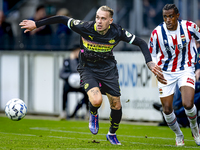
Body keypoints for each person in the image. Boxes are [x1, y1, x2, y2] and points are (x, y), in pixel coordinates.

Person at [19, 5, 166, 145]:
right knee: (96, 100)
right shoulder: (85, 27)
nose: (99, 21)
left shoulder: (117, 31)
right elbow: (62, 19)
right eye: (97, 17)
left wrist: (149, 62)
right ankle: (93, 113)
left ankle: (112, 134)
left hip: (108, 70)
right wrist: (37, 24)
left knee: (116, 105)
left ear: (110, 21)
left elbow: (141, 42)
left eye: (103, 18)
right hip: (87, 68)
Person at [148, 4, 200, 146]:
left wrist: (198, 64)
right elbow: (151, 54)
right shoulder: (157, 32)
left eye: (171, 16)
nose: (168, 19)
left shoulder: (189, 27)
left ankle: (195, 129)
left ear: (177, 16)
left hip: (186, 69)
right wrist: (154, 68)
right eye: (165, 16)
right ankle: (179, 135)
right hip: (166, 72)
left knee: (188, 104)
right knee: (167, 109)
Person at [59, 44, 89, 120]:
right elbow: (62, 74)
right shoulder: (67, 61)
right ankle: (64, 111)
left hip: (81, 84)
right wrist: (69, 76)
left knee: (88, 90)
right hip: (70, 84)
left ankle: (88, 112)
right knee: (64, 89)